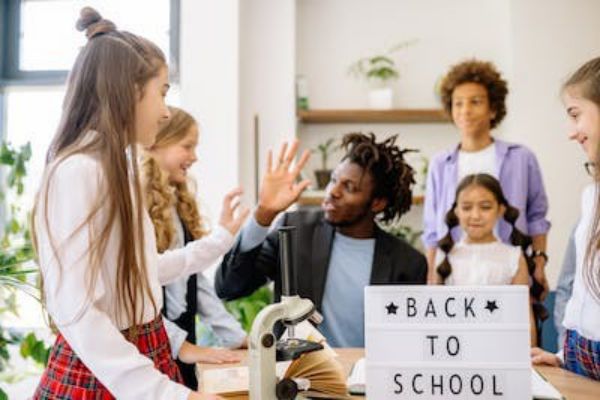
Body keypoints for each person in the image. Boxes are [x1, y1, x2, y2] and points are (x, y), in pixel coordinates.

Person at [31, 8, 246, 399]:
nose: (166, 111)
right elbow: (77, 310)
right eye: (162, 91)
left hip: (143, 358)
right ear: (130, 91)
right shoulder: (78, 171)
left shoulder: (116, 168)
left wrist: (220, 239)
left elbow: (140, 272)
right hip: (107, 374)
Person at [215, 133, 427, 348]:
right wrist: (263, 215)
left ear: (377, 203)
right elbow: (229, 287)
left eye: (349, 187)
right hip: (300, 375)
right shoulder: (295, 231)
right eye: (334, 180)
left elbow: (408, 343)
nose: (333, 191)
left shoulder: (408, 263)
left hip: (370, 377)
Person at [423, 59, 551, 298]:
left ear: (493, 108)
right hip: (454, 279)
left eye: (475, 102)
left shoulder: (521, 158)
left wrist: (539, 262)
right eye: (457, 103)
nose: (465, 110)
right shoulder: (441, 164)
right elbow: (432, 228)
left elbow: (537, 216)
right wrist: (432, 277)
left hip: (510, 276)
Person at [143, 106, 247, 389]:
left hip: (182, 348)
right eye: (187, 146)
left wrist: (234, 336)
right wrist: (183, 346)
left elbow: (192, 279)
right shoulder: (135, 206)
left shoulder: (177, 203)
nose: (194, 156)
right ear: (156, 143)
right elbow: (137, 292)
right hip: (148, 353)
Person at [531, 56, 600, 381]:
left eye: (576, 115)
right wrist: (562, 357)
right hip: (579, 360)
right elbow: (584, 293)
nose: (571, 133)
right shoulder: (591, 196)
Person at [434, 173, 536, 343]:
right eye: (467, 207)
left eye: (485, 207)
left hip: (500, 350)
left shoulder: (513, 257)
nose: (475, 215)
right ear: (456, 211)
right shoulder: (445, 255)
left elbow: (525, 318)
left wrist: (530, 361)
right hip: (456, 352)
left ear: (500, 209)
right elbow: (434, 317)